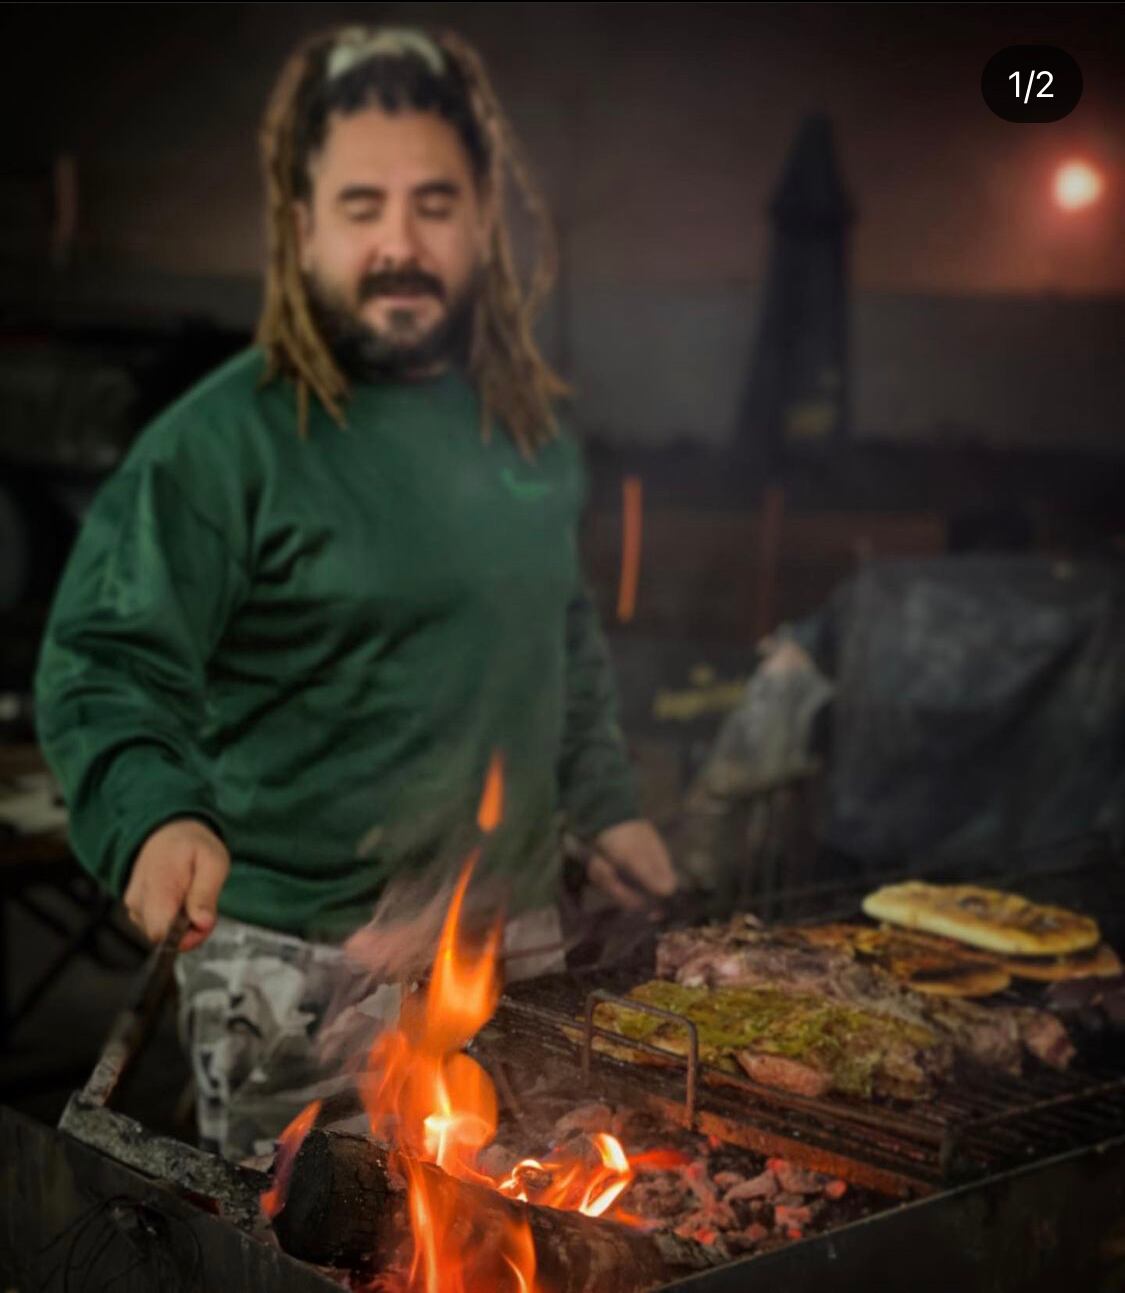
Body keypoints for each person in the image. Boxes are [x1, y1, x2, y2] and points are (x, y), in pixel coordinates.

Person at [33, 23, 676, 1160]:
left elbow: (559, 637)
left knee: (516, 1253)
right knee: (315, 1263)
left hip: (513, 953)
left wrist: (608, 800)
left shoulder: (525, 429)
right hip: (302, 972)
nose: (399, 242)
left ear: (483, 219)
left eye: (434, 203)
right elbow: (107, 661)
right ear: (303, 229)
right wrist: (155, 814)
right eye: (362, 206)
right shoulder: (221, 444)